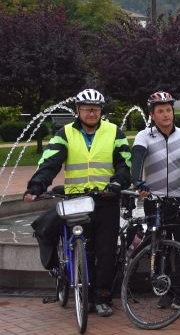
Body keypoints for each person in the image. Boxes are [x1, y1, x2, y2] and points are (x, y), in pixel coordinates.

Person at [24, 89, 131, 317]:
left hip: (106, 199)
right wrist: (36, 186)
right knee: (84, 247)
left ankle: (102, 297)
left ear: (101, 111)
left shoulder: (115, 132)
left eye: (96, 108)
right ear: (78, 111)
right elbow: (50, 163)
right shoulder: (64, 134)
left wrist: (117, 183)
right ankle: (86, 296)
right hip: (77, 200)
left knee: (106, 250)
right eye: (87, 108)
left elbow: (125, 164)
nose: (92, 112)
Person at [131, 91, 180, 313]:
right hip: (155, 200)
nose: (165, 114)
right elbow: (137, 159)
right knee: (160, 248)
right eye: (160, 111)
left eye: (168, 110)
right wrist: (137, 181)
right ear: (152, 114)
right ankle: (164, 292)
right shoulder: (144, 136)